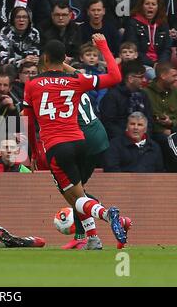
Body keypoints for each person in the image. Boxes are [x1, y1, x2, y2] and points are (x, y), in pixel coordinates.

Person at [23, 34, 130, 248]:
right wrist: (103, 46)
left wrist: (33, 153)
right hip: (80, 143)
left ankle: (110, 215)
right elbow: (116, 77)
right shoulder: (76, 81)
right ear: (64, 59)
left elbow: (26, 121)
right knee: (77, 194)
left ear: (44, 58)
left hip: (56, 147)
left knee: (74, 197)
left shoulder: (32, 85)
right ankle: (93, 239)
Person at [100, 59, 154, 140]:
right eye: (141, 77)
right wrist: (128, 138)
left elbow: (149, 119)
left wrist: (144, 136)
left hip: (143, 139)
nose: (144, 80)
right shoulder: (112, 96)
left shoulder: (143, 95)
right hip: (120, 142)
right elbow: (108, 124)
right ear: (130, 79)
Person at [123, 0, 172, 70]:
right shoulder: (133, 23)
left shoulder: (163, 24)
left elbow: (167, 49)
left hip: (160, 64)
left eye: (153, 4)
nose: (150, 7)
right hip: (140, 64)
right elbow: (134, 49)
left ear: (158, 7)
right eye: (147, 4)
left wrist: (160, 64)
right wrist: (152, 64)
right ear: (141, 6)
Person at [0, 6, 40, 71]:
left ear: (29, 20)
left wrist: (32, 59)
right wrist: (21, 62)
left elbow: (34, 56)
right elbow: (2, 59)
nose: (21, 20)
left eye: (25, 17)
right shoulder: (5, 31)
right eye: (18, 17)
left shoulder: (34, 33)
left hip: (27, 68)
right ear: (13, 20)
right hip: (9, 69)